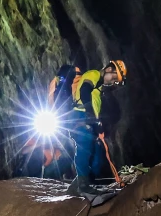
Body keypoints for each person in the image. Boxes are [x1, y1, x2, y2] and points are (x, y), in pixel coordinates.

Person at [50, 59, 128, 191]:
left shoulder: (99, 87)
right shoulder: (94, 74)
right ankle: (82, 183)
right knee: (84, 144)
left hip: (89, 118)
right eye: (114, 78)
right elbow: (85, 91)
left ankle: (81, 182)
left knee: (97, 154)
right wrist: (92, 117)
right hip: (80, 115)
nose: (113, 82)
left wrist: (97, 122)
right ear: (109, 69)